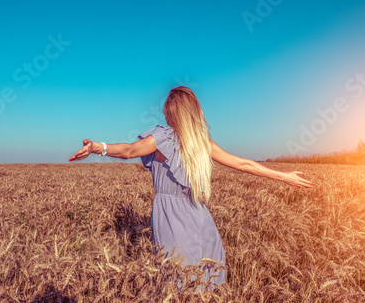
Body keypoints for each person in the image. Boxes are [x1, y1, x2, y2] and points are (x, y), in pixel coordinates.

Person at [68, 86, 313, 291]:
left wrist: (97, 147)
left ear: (172, 112)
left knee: (178, 279)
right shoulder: (200, 141)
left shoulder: (163, 137)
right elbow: (244, 164)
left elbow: (129, 151)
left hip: (172, 217)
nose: (164, 113)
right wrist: (283, 176)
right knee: (198, 280)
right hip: (199, 216)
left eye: (166, 109)